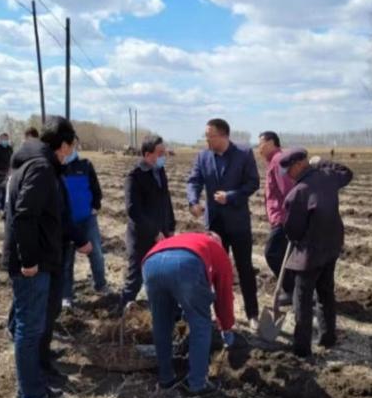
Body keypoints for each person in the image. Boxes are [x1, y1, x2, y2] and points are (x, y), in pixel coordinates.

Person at [2, 116, 90, 398]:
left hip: (38, 261)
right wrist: (28, 261)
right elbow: (24, 215)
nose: (71, 153)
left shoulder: (31, 164)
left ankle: (30, 389)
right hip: (32, 266)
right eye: (71, 147)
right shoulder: (40, 168)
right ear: (62, 144)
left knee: (33, 330)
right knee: (29, 331)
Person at [187, 119, 260, 327]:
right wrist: (193, 201)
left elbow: (252, 183)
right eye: (206, 136)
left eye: (210, 135)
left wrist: (231, 196)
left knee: (245, 268)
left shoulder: (244, 154)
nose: (207, 139)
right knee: (217, 270)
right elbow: (194, 181)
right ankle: (222, 315)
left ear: (223, 136)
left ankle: (252, 313)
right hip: (215, 224)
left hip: (238, 222)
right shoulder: (203, 157)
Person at [280, 149, 353, 357]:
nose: (287, 174)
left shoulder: (298, 193)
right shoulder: (328, 176)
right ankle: (328, 337)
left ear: (299, 165)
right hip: (331, 245)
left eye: (289, 169)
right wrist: (324, 163)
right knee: (325, 291)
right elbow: (346, 172)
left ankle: (302, 348)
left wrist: (294, 238)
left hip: (310, 254)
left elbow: (293, 230)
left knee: (302, 298)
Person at [142, 232, 235, 395]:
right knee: (200, 323)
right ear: (218, 242)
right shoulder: (217, 249)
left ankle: (165, 379)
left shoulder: (184, 239)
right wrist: (226, 326)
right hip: (186, 265)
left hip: (150, 263)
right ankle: (197, 383)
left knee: (161, 323)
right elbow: (224, 293)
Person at [121, 135, 175, 309]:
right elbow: (133, 210)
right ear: (147, 154)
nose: (163, 156)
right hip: (142, 236)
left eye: (164, 152)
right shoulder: (134, 176)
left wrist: (170, 226)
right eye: (160, 153)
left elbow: (166, 200)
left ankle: (158, 309)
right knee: (135, 276)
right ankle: (122, 311)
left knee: (160, 273)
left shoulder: (160, 171)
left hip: (162, 233)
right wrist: (154, 232)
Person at [61, 144, 108, 307]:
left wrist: (95, 206)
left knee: (96, 254)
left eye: (73, 145)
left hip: (87, 219)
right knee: (66, 259)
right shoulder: (57, 167)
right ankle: (66, 295)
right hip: (66, 222)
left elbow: (96, 189)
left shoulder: (85, 165)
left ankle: (101, 285)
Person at [257, 131, 295, 305]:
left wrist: (289, 217)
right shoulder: (274, 160)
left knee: (271, 252)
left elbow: (288, 191)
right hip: (279, 216)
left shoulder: (278, 160)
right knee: (284, 255)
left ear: (271, 142)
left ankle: (290, 290)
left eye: (261, 144)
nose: (259, 148)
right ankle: (297, 290)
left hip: (283, 218)